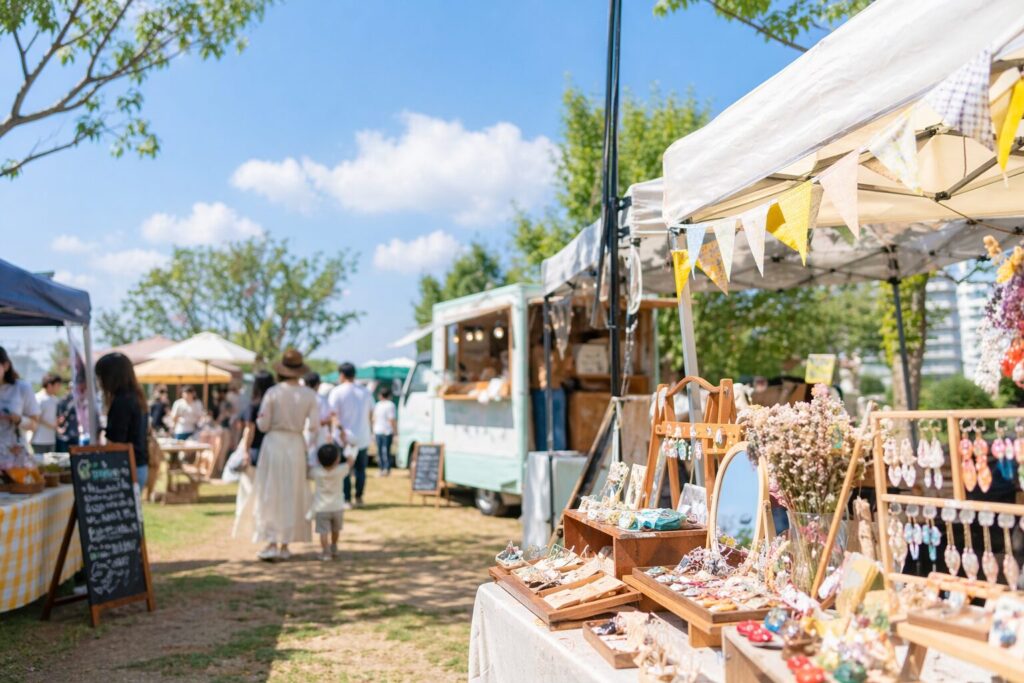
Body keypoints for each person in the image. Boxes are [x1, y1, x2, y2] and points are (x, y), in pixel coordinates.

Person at [251, 349, 319, 561]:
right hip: (295, 444)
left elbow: (262, 423)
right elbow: (315, 426)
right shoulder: (309, 394)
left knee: (271, 491)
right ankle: (285, 544)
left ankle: (272, 541)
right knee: (292, 492)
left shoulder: (273, 392)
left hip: (274, 443)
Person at [94, 352, 149, 487]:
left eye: (101, 376)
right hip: (139, 465)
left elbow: (115, 442)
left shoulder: (122, 401)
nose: (100, 381)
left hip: (127, 468)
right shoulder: (136, 396)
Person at [328, 362, 373, 508]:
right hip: (362, 436)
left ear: (341, 375)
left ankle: (346, 499)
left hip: (344, 437)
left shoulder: (337, 391)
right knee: (361, 469)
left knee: (344, 469)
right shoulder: (365, 391)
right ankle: (359, 497)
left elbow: (333, 415)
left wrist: (339, 430)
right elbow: (371, 413)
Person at [309, 443, 351, 561]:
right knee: (335, 530)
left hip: (321, 508)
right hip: (337, 507)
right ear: (337, 459)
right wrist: (347, 447)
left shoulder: (316, 472)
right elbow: (350, 462)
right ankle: (334, 547)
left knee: (323, 532)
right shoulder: (340, 470)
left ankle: (325, 552)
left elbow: (307, 470)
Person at [0, 347, 40, 466]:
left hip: (16, 460)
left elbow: (34, 425)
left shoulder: (22, 388)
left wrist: (18, 419)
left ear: (6, 366)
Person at [244, 371, 275, 468]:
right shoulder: (276, 406)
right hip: (274, 447)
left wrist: (245, 450)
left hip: (256, 449)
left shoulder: (254, 405)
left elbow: (249, 430)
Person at [303, 371, 333, 466]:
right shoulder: (321, 399)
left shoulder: (302, 398)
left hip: (305, 430)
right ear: (318, 384)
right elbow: (326, 418)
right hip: (318, 431)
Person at [31, 373, 64, 453]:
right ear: (49, 385)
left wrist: (58, 422)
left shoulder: (55, 399)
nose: (59, 388)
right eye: (57, 385)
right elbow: (36, 417)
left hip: (51, 440)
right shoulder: (38, 398)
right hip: (39, 439)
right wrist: (52, 426)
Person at [372, 387, 397, 477]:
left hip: (378, 430)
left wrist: (373, 431)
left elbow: (374, 418)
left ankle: (382, 468)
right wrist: (395, 432)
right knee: (386, 451)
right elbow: (392, 420)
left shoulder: (377, 405)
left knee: (380, 451)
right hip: (387, 431)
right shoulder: (391, 405)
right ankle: (386, 469)